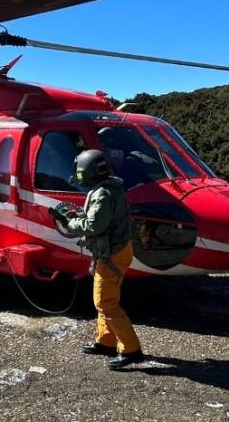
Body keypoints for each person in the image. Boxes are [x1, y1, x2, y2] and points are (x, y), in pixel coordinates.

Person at [50, 149, 144, 370]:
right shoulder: (110, 187)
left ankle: (132, 349)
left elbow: (93, 226)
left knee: (105, 302)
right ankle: (106, 341)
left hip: (111, 254)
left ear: (87, 172)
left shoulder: (102, 194)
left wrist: (68, 222)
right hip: (116, 250)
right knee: (106, 298)